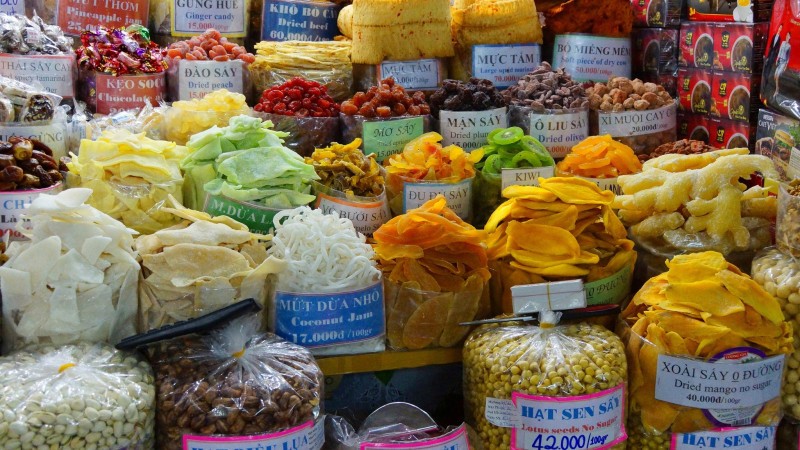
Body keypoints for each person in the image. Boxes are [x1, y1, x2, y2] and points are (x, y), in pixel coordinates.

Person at [776, 32, 792, 97]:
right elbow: (779, 51)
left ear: (790, 37)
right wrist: (777, 59)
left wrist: (786, 65)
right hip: (779, 61)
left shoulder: (789, 46)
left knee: (777, 76)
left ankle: (777, 90)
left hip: (784, 62)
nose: (787, 36)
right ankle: (779, 87)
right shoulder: (782, 42)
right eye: (786, 35)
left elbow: (788, 56)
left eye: (788, 35)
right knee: (775, 76)